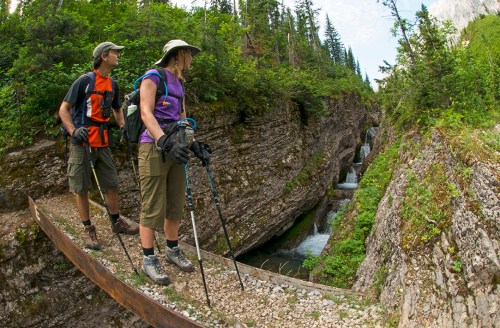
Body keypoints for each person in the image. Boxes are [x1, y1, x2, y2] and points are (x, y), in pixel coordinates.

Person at [138, 40, 211, 285]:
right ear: (179, 54)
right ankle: (148, 258)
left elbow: (183, 120)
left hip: (176, 149)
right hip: (153, 147)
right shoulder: (153, 77)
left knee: (175, 204)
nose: (192, 58)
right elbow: (146, 112)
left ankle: (172, 249)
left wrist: (194, 144)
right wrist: (163, 141)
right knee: (152, 206)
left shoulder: (179, 84)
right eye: (190, 53)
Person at [59, 41, 138, 250]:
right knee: (81, 186)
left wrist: (123, 126)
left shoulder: (113, 84)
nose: (117, 55)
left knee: (111, 183)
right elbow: (64, 110)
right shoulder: (84, 81)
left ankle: (116, 222)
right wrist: (74, 131)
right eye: (115, 52)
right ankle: (88, 228)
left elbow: (117, 109)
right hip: (82, 141)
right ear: (104, 56)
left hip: (102, 141)